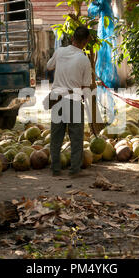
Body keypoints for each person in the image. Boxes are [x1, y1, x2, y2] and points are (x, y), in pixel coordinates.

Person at [46, 26, 92, 177]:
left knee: (56, 135)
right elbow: (86, 87)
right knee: (76, 136)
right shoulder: (84, 60)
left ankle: (55, 169)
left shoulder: (60, 52)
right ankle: (74, 170)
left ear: (72, 38)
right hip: (74, 99)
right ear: (86, 42)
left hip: (57, 98)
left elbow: (48, 66)